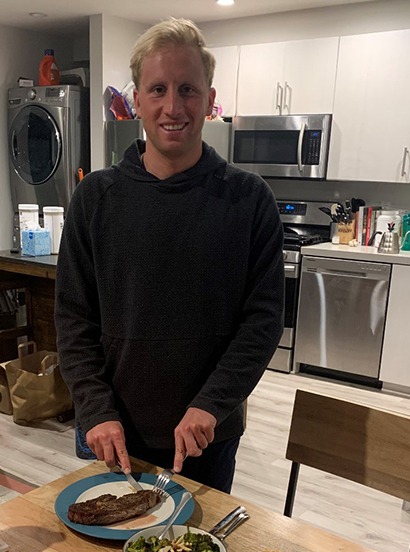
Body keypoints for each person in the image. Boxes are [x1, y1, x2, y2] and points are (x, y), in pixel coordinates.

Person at [54, 17, 284, 493]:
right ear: (136, 100)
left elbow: (262, 322)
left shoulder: (248, 200)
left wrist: (211, 405)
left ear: (209, 99)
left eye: (188, 89)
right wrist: (95, 411)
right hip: (110, 436)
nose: (172, 106)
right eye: (157, 90)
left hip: (206, 439)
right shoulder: (96, 198)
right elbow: (74, 319)